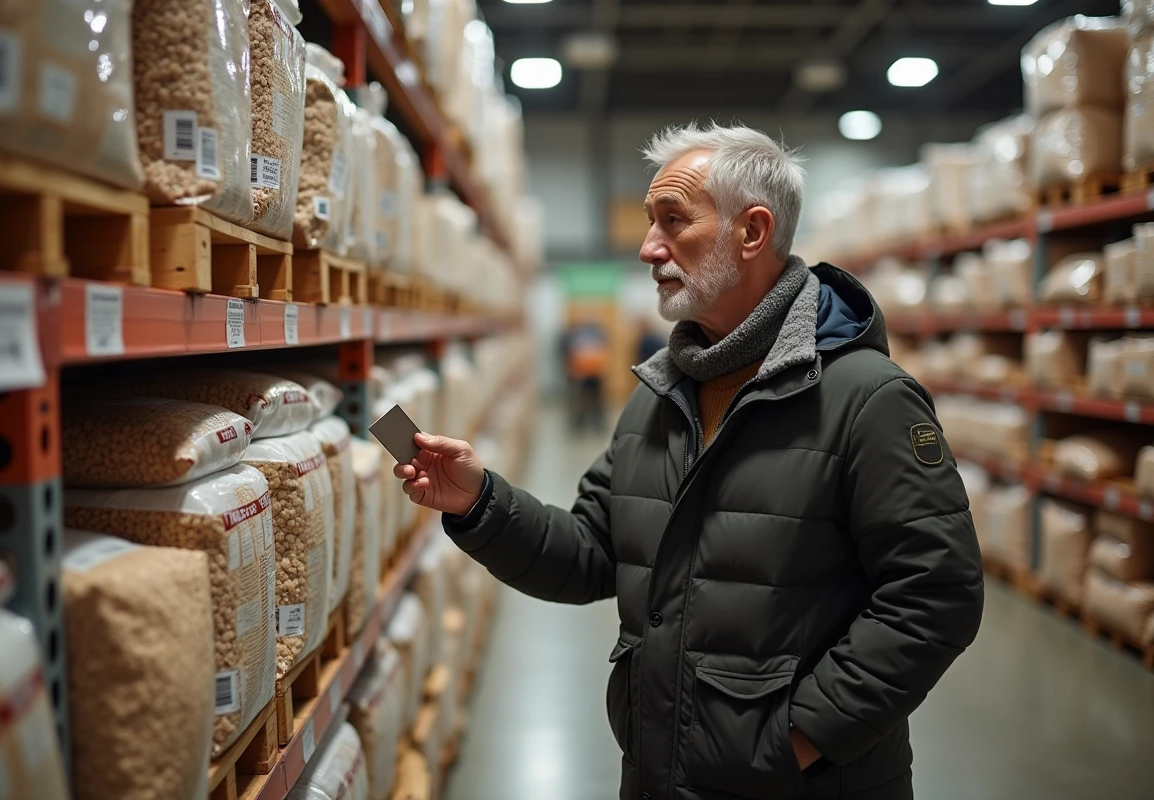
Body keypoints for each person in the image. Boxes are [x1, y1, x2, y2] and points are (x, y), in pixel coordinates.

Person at [393, 123, 984, 800]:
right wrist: (481, 503)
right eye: (651, 223)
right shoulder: (659, 397)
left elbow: (937, 594)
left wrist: (797, 743)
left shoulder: (868, 399)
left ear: (752, 232)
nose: (649, 248)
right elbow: (591, 554)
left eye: (674, 221)